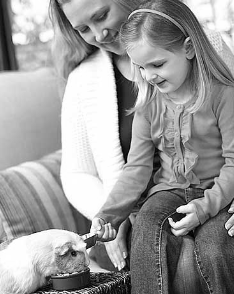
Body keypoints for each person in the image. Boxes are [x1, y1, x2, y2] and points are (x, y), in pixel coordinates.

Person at [49, 0, 234, 291]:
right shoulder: (145, 101)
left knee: (214, 248)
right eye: (83, 28)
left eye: (101, 16)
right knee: (148, 226)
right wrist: (109, 215)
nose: (98, 35)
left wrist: (211, 204)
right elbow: (133, 167)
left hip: (218, 191)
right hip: (160, 195)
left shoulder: (220, 90)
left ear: (188, 49)